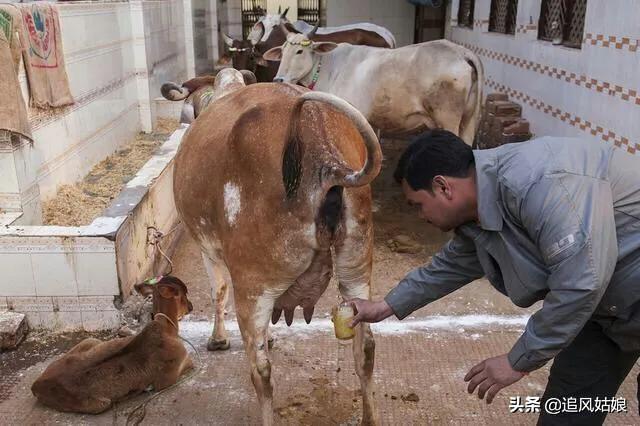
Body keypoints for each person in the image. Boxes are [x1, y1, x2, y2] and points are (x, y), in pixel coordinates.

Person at [348, 130, 640, 424]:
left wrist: (517, 360)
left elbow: (582, 280)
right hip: (606, 312)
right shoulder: (481, 210)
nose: (421, 216)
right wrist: (386, 305)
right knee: (567, 408)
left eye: (417, 205)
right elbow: (450, 265)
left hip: (616, 292)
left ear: (443, 187)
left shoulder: (538, 181)